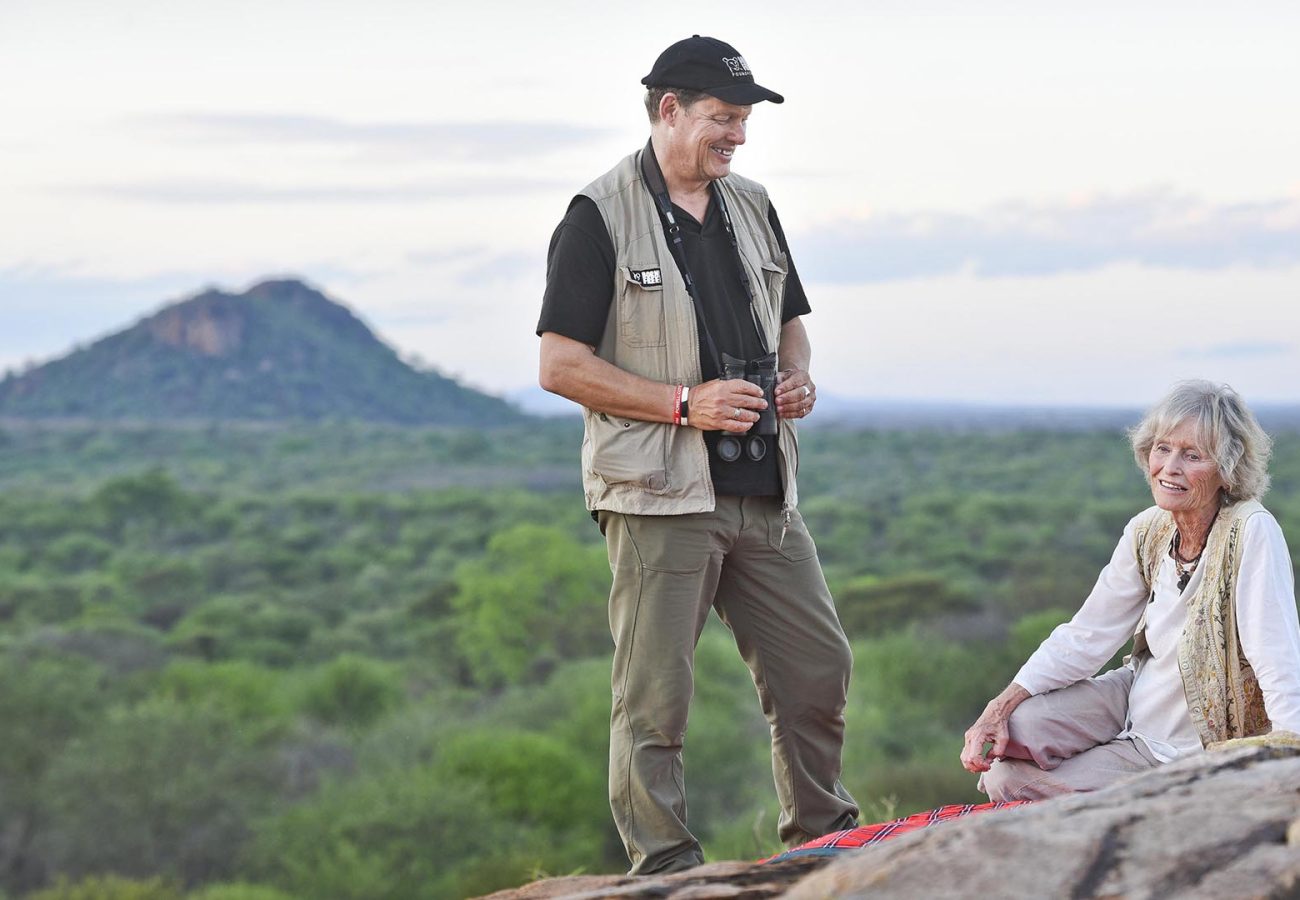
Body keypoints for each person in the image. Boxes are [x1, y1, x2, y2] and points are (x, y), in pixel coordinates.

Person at [536, 35, 859, 874]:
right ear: (668, 109)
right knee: (655, 700)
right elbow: (558, 365)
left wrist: (797, 378)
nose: (739, 136)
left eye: (744, 120)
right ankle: (666, 868)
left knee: (817, 669)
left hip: (764, 488)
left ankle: (825, 843)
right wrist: (685, 406)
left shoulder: (751, 203)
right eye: (724, 118)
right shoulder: (597, 215)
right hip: (657, 495)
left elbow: (792, 321)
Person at [961, 380, 1300, 800]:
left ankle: (1161, 793)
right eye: (1162, 448)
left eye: (1192, 455)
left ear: (1227, 469)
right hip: (1132, 700)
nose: (1169, 468)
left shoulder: (1251, 529)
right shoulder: (1148, 529)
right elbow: (1087, 635)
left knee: (1004, 780)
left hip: (1190, 747)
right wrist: (998, 708)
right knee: (1017, 727)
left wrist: (1290, 758)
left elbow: (1276, 656)